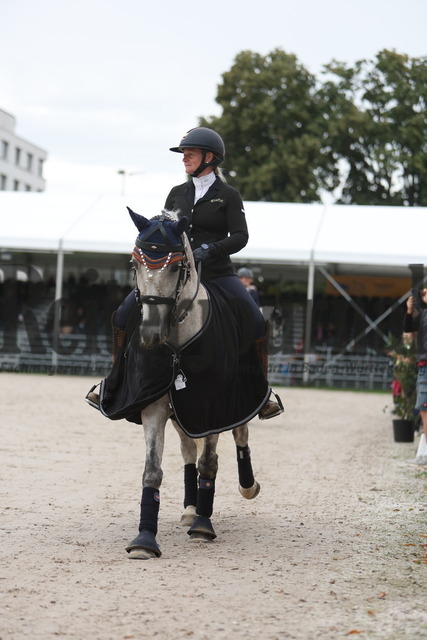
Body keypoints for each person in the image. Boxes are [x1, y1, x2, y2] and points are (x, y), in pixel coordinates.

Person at [89, 127, 282, 420]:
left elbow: (240, 237)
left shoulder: (228, 195)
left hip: (216, 273)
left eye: (189, 153)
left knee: (254, 318)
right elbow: (166, 229)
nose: (184, 158)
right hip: (175, 275)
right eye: (183, 154)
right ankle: (112, 382)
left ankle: (261, 392)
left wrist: (210, 249)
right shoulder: (177, 193)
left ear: (210, 157)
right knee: (124, 311)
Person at [404, 289, 427, 465]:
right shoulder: (422, 315)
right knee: (424, 410)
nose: (424, 295)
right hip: (423, 365)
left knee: (425, 410)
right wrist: (410, 312)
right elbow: (407, 328)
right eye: (424, 293)